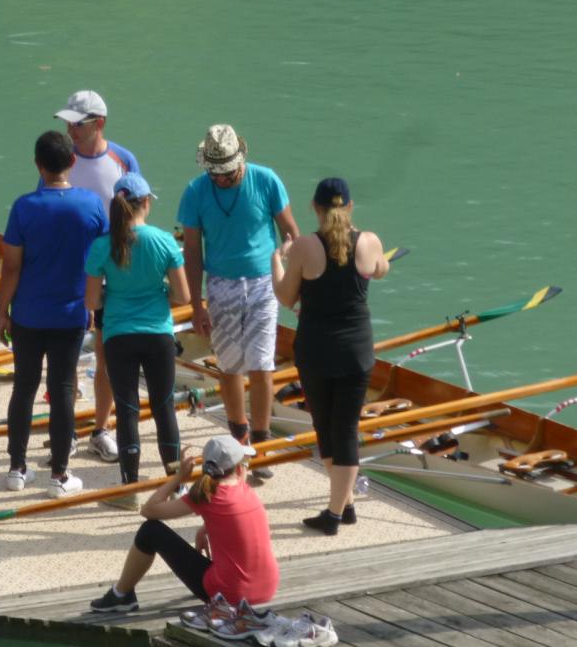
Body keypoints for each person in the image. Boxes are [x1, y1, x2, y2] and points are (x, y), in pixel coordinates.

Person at [177, 124, 301, 477]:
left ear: (240, 162)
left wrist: (290, 262)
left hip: (264, 283)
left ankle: (260, 441)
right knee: (230, 366)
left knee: (262, 364)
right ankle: (239, 435)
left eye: (227, 172)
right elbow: (192, 252)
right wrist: (196, 306)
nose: (221, 179)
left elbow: (291, 232)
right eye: (214, 173)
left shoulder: (266, 180)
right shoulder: (195, 192)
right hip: (221, 285)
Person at [273, 178, 389, 535]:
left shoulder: (306, 247)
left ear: (315, 208)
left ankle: (334, 515)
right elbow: (381, 269)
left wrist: (276, 260)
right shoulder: (368, 241)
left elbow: (285, 297)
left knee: (325, 429)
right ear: (349, 207)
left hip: (316, 350)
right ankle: (346, 505)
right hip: (356, 351)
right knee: (345, 430)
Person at [0, 131, 108, 497]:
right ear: (72, 161)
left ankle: (16, 468)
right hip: (71, 314)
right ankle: (59, 476)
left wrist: (2, 311)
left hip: (28, 313)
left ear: (37, 165)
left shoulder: (23, 206)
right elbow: (101, 261)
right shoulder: (92, 206)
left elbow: (11, 267)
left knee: (24, 387)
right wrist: (93, 305)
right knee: (62, 390)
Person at [84, 173, 189, 509]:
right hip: (158, 334)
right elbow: (183, 295)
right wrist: (158, 292)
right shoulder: (164, 241)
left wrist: (114, 294)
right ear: (146, 202)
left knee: (128, 409)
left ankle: (129, 489)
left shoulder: (103, 245)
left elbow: (92, 302)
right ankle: (176, 486)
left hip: (118, 336)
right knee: (163, 406)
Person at [89, 436, 278, 613]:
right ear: (238, 470)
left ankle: (121, 595)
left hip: (231, 596)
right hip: (268, 588)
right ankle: (122, 594)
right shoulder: (247, 491)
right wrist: (205, 529)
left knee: (150, 531)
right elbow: (232, 518)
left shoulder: (208, 496)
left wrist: (178, 478)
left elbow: (149, 510)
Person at [55, 90, 142, 464]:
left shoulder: (123, 160)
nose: (71, 129)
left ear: (100, 124)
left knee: (105, 359)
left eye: (79, 123)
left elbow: (137, 215)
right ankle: (66, 429)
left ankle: (100, 429)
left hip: (111, 274)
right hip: (70, 271)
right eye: (68, 123)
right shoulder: (63, 160)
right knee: (65, 358)